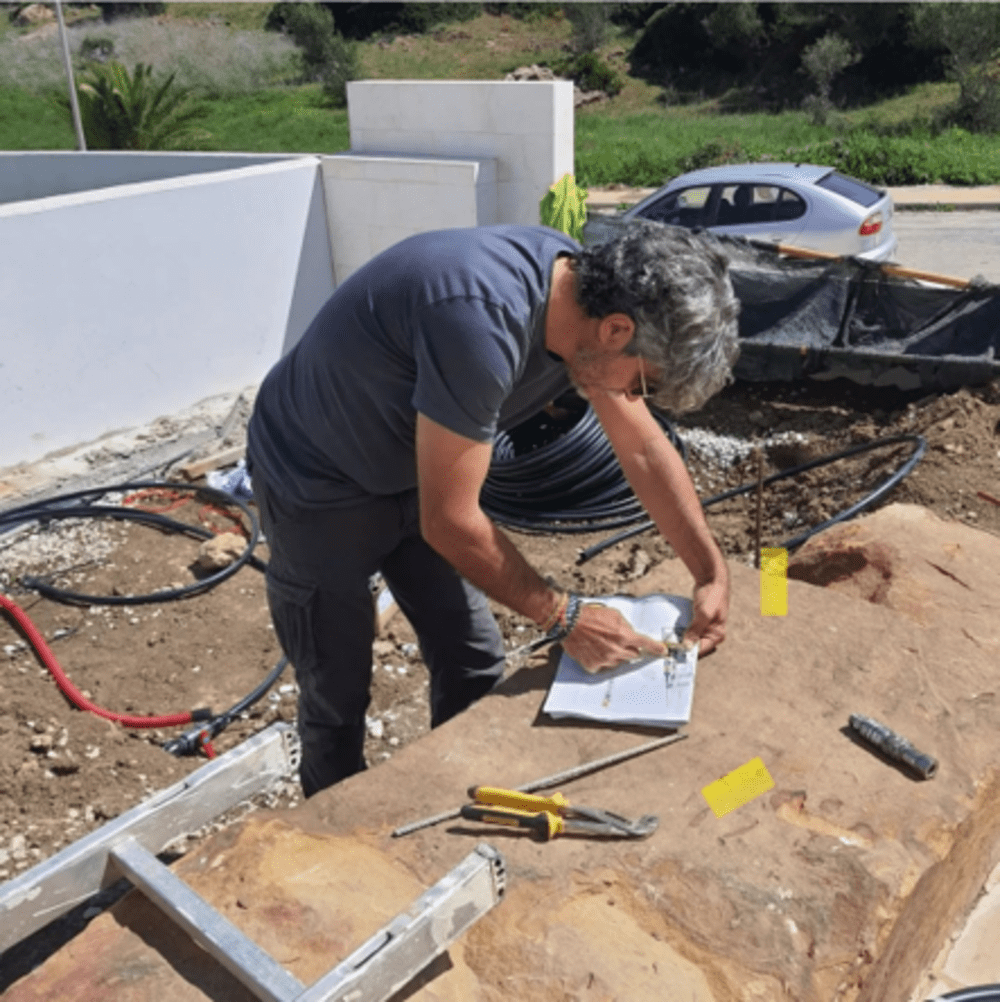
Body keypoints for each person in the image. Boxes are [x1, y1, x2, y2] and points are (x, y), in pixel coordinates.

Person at [246, 220, 740, 798]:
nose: (635, 399)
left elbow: (645, 450)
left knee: (473, 659)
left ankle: (459, 803)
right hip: (316, 478)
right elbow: (450, 521)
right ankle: (326, 834)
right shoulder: (480, 318)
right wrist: (565, 615)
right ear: (616, 330)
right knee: (337, 684)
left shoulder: (585, 309)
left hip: (413, 470)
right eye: (643, 384)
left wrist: (710, 570)